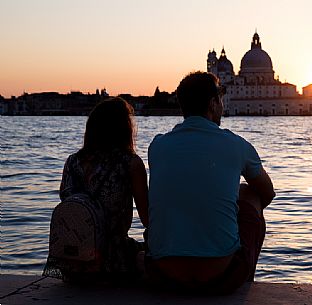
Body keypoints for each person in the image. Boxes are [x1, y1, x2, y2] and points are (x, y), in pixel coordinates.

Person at [146, 72, 275, 293]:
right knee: (249, 193)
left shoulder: (157, 146)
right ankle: (246, 279)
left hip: (165, 276)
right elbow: (267, 193)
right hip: (222, 278)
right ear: (213, 103)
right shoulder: (237, 145)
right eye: (221, 100)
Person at [44, 97, 149, 282]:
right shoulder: (130, 163)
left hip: (72, 263)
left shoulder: (72, 161)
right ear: (124, 128)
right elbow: (147, 219)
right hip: (113, 263)